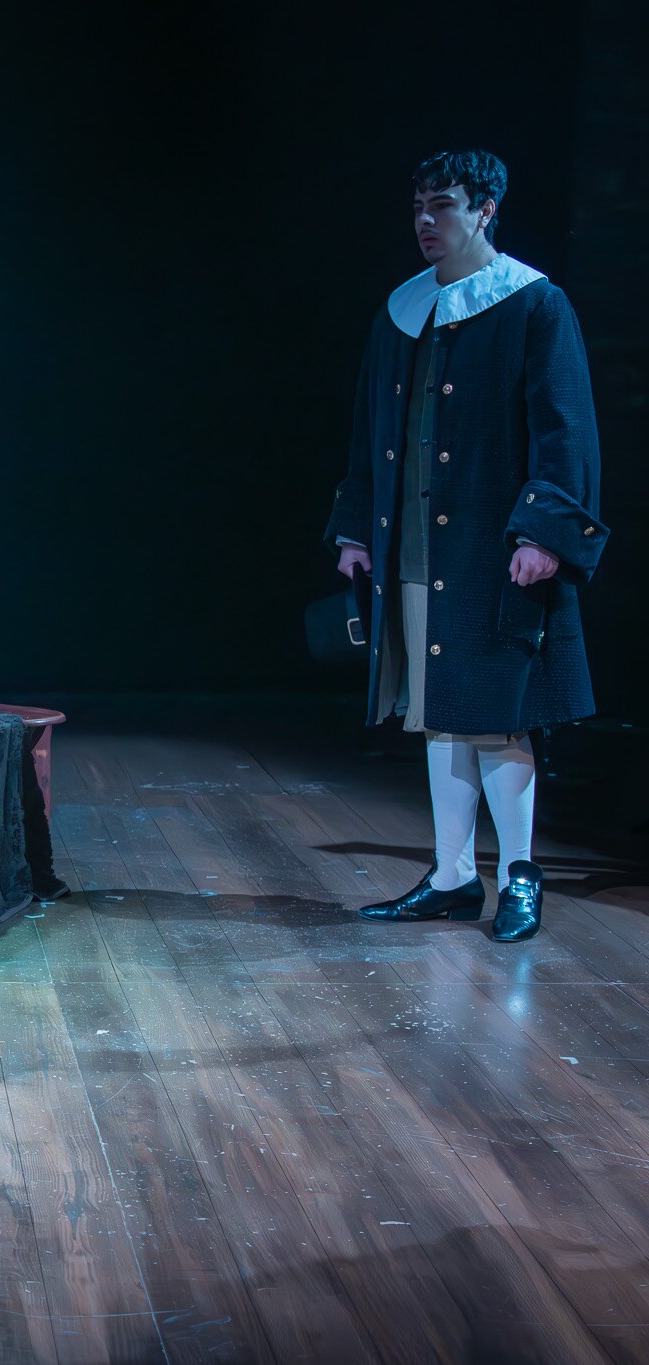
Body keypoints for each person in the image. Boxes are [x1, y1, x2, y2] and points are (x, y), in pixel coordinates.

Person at [326, 150, 605, 944]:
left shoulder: (533, 304)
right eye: (418, 204)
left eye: (442, 204)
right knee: (439, 714)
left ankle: (519, 873)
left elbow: (566, 430)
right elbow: (370, 429)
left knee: (495, 717)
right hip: (415, 548)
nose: (425, 219)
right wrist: (355, 525)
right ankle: (451, 875)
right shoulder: (405, 309)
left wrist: (544, 532)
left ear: (484, 209)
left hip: (493, 548)